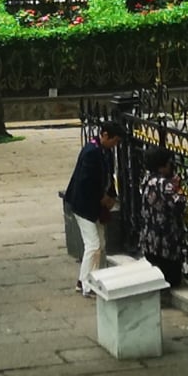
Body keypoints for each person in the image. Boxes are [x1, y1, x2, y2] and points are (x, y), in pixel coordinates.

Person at [63, 121, 124, 297]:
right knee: (93, 244)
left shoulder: (105, 151)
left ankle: (88, 279)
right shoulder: (91, 152)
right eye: (114, 140)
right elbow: (86, 182)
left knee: (100, 244)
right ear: (105, 135)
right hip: (83, 206)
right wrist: (102, 198)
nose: (115, 145)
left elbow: (109, 176)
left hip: (94, 206)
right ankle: (87, 284)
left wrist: (111, 195)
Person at [137, 147, 188, 288]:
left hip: (149, 236)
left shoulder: (147, 179)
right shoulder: (164, 184)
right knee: (171, 278)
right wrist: (178, 189)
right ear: (162, 166)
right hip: (165, 239)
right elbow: (178, 204)